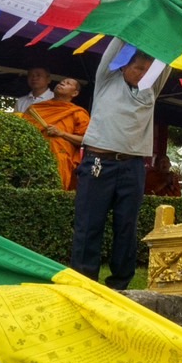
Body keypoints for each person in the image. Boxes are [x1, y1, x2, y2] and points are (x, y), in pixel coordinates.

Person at [71, 39, 169, 290]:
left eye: (147, 70)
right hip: (98, 162)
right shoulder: (107, 80)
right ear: (124, 66)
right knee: (89, 223)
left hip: (132, 166)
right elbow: (118, 42)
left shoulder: (150, 88)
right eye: (138, 68)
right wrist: (137, 16)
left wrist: (173, 23)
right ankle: (83, 280)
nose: (143, 74)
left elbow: (167, 56)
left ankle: (120, 283)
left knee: (127, 225)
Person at [23, 77, 87, 191]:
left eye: (67, 83)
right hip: (33, 156)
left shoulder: (78, 113)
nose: (62, 83)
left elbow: (85, 140)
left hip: (60, 159)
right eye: (61, 82)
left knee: (55, 192)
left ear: (75, 93)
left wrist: (62, 133)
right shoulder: (36, 108)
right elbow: (22, 131)